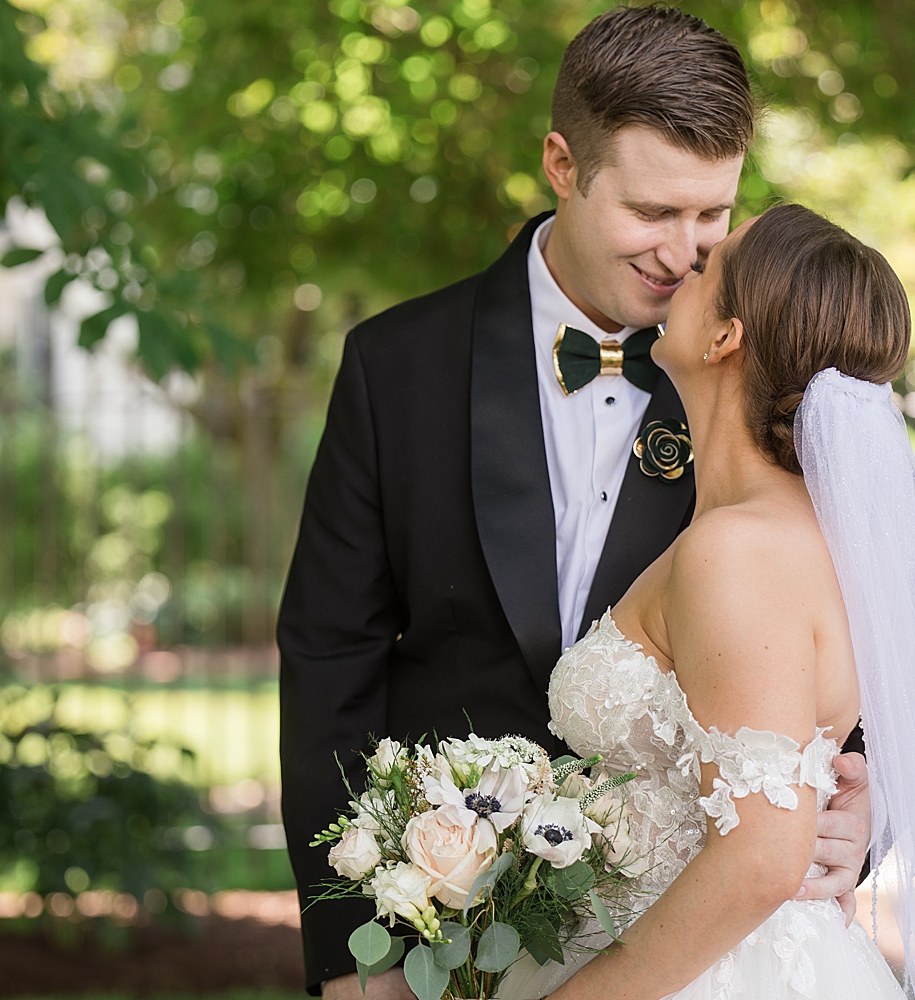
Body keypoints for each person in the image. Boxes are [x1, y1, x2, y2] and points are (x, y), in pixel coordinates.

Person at [277, 9, 878, 998]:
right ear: (563, 164)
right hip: (445, 935)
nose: (687, 253)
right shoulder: (398, 368)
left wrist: (864, 810)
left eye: (711, 215)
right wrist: (349, 955)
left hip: (701, 941)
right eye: (652, 212)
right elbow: (328, 663)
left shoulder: (769, 370)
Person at [512, 205, 915, 1000]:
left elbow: (761, 859)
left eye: (707, 265)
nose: (682, 264)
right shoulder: (817, 536)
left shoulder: (739, 552)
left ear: (727, 337)